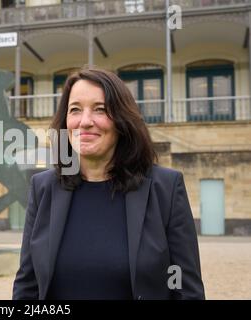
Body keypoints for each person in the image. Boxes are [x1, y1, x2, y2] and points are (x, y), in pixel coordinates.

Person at [12, 67, 205, 300]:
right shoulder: (42, 188)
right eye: (74, 110)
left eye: (100, 109)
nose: (84, 122)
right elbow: (27, 286)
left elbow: (187, 289)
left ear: (122, 120)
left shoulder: (165, 188)